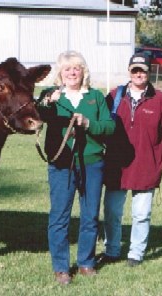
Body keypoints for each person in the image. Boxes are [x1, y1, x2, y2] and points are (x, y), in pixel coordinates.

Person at [37, 50, 115, 285]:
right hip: (61, 164)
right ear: (61, 73)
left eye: (77, 68)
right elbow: (39, 114)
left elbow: (110, 127)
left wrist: (88, 123)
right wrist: (47, 102)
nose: (72, 72)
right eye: (68, 68)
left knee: (90, 215)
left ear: (83, 71)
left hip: (92, 162)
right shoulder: (51, 96)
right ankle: (61, 267)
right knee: (60, 216)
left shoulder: (95, 97)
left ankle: (86, 262)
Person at [100, 52, 162, 267]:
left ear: (149, 72)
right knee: (112, 212)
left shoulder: (160, 100)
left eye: (142, 70)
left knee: (141, 214)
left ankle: (136, 252)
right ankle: (112, 250)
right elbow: (101, 127)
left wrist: (154, 153)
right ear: (129, 71)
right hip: (117, 167)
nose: (138, 74)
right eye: (134, 70)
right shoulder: (114, 96)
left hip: (146, 168)